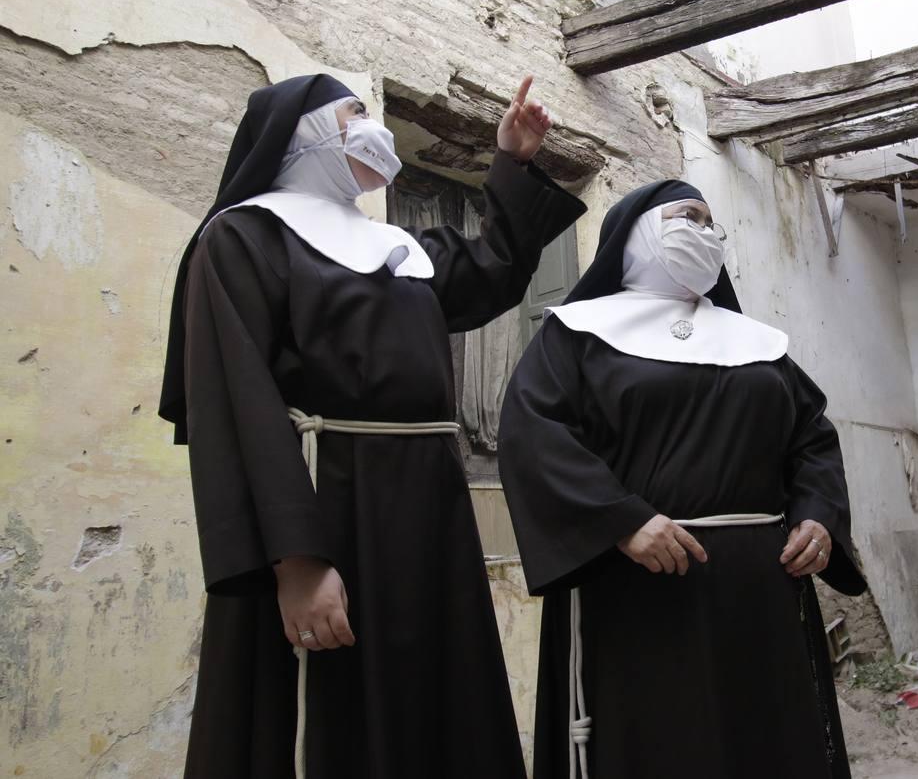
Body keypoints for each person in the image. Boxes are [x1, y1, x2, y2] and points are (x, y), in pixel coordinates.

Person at [157, 72, 585, 777]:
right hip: (328, 509)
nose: (373, 127)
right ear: (303, 133)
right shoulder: (242, 238)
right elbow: (238, 406)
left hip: (426, 513)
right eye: (355, 112)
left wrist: (511, 163)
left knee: (433, 703)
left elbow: (494, 268)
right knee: (330, 710)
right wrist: (296, 561)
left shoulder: (395, 246)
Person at [497, 180, 867, 779]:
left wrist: (818, 515)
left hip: (758, 589)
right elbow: (533, 434)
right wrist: (621, 519)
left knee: (766, 740)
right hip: (640, 584)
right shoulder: (576, 332)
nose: (703, 232)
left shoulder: (759, 346)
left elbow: (812, 440)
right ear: (637, 233)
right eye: (685, 217)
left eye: (709, 222)